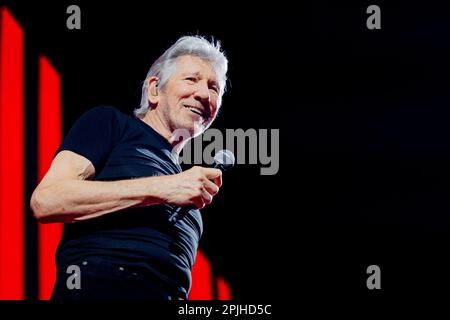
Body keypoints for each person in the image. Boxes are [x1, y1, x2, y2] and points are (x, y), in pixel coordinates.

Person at [30, 35, 228, 300]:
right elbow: (47, 201)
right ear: (155, 89)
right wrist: (165, 187)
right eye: (191, 79)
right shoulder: (110, 124)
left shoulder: (190, 195)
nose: (204, 94)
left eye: (214, 87)